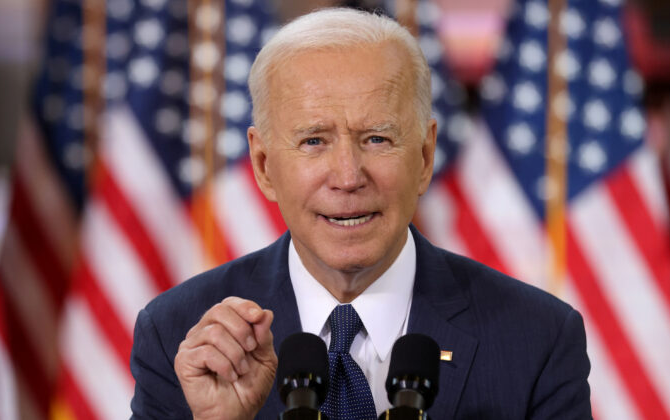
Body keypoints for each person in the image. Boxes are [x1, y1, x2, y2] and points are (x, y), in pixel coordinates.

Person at [130, 8, 592, 420]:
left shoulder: (538, 339)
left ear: (426, 156)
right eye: (314, 141)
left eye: (377, 139)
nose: (348, 176)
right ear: (264, 165)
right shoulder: (178, 336)